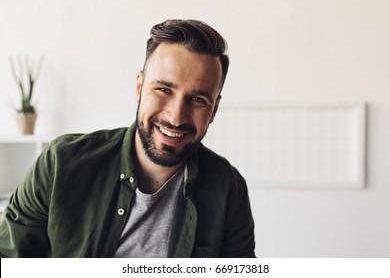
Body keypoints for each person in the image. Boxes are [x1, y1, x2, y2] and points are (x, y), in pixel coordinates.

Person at [0, 19, 255, 257]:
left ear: (214, 109)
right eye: (164, 89)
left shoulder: (228, 188)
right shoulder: (59, 165)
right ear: (139, 87)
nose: (176, 117)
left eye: (198, 99)